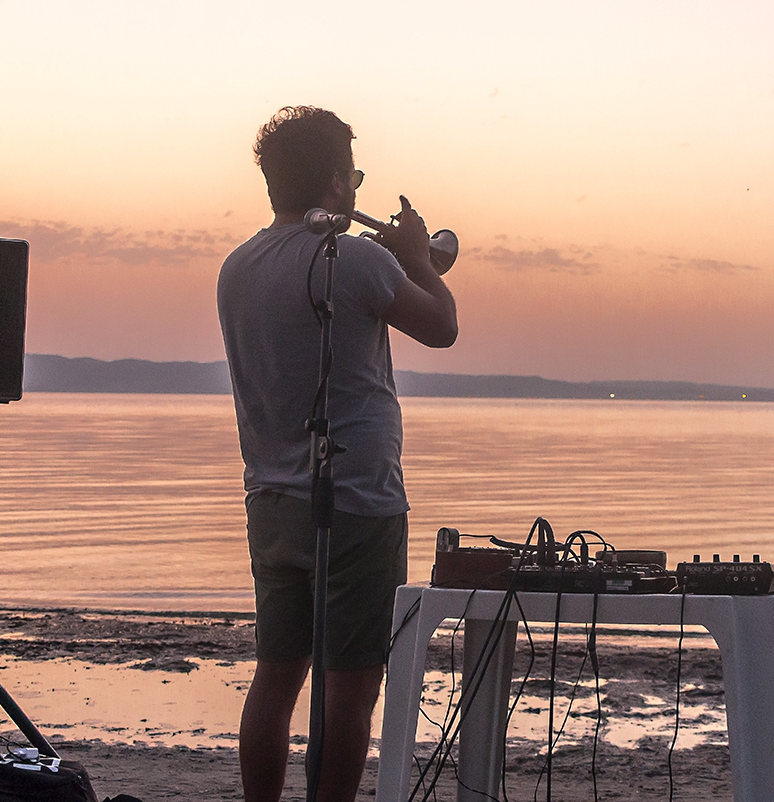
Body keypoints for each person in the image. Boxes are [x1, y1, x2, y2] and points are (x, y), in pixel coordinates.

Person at [217, 106, 458, 802]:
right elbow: (441, 327)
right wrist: (418, 259)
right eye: (352, 173)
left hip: (270, 498)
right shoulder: (356, 258)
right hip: (357, 499)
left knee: (277, 673)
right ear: (332, 180)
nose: (356, 187)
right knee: (351, 690)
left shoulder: (237, 268)